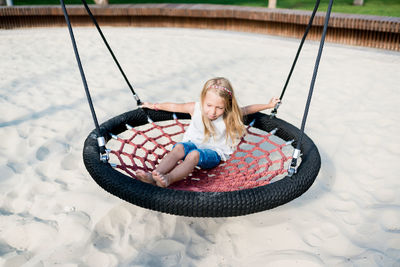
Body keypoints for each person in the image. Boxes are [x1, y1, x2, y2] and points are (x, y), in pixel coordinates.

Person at [136, 77, 280, 187]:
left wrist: (268, 105)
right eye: (209, 105)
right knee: (179, 147)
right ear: (203, 100)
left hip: (214, 153)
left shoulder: (230, 114)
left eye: (219, 108)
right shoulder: (195, 108)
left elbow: (248, 109)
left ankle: (168, 178)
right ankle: (155, 174)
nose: (213, 112)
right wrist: (153, 105)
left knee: (194, 155)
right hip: (192, 144)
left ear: (227, 106)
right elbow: (174, 106)